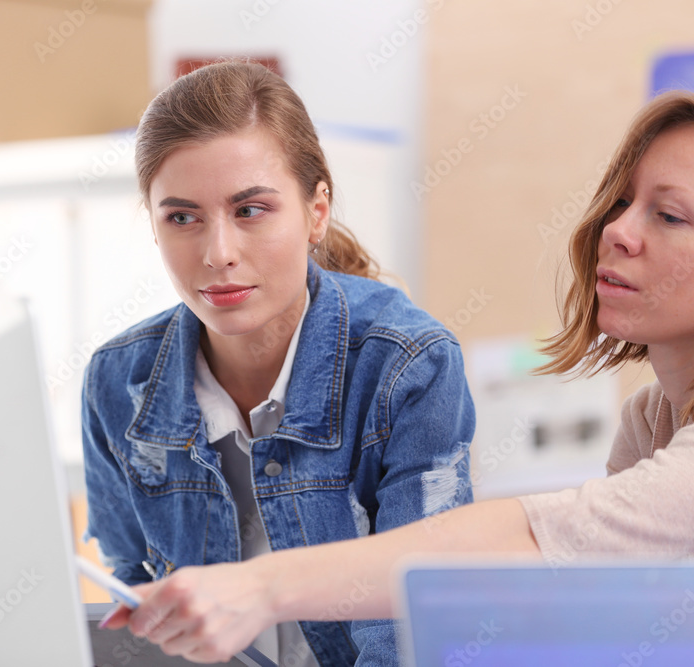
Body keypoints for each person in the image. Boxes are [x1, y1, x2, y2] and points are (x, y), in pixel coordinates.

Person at [99, 90, 694, 664]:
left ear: (317, 210)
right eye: (621, 201)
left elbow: (552, 543)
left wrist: (260, 588)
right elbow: (613, 613)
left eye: (669, 215)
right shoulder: (651, 417)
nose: (617, 231)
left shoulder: (406, 359)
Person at [81, 61, 476, 666]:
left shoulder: (407, 367)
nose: (218, 255)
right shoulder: (119, 380)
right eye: (182, 217)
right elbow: (136, 604)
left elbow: (416, 617)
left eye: (251, 210)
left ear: (316, 212)